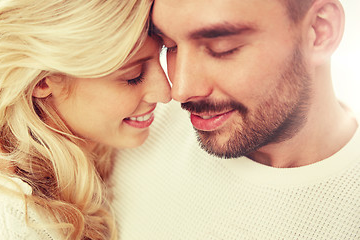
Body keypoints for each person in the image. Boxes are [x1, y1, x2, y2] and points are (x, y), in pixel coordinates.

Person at [111, 0, 360, 239]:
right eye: (170, 46)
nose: (180, 90)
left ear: (319, 30)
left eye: (222, 49)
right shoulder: (132, 131)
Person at [0, 0, 170, 239]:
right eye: (134, 76)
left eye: (164, 54)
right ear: (42, 82)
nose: (166, 92)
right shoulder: (6, 223)